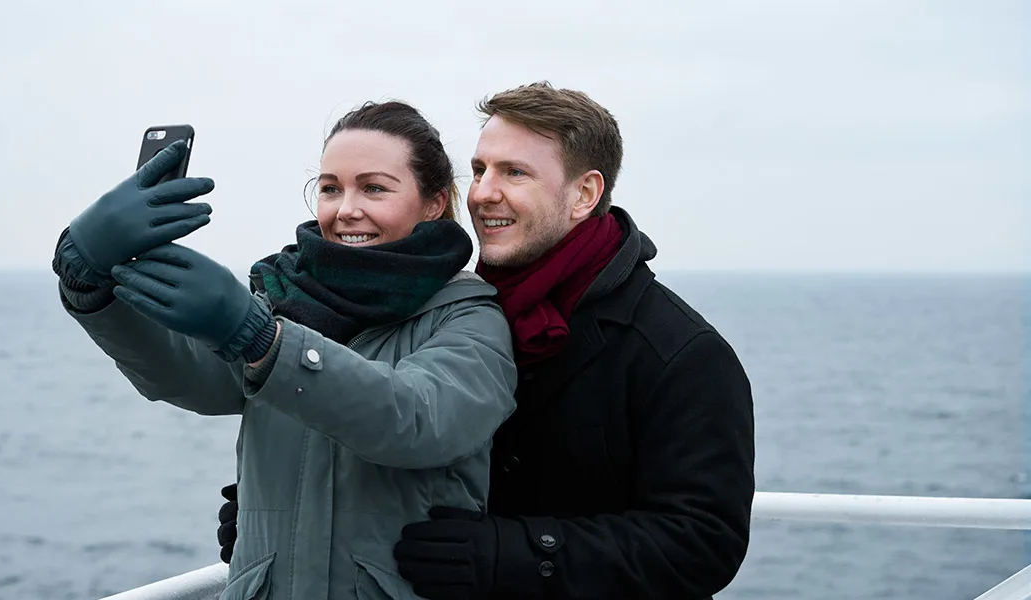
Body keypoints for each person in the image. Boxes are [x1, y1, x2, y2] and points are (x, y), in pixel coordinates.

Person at [217, 82, 757, 600]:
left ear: (584, 194)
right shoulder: (457, 307)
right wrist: (305, 510)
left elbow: (704, 542)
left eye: (514, 173)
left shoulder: (679, 352)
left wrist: (515, 554)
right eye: (479, 170)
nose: (482, 194)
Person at [54, 101, 518, 600]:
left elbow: (418, 420)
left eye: (375, 188)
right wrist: (91, 290)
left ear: (433, 202)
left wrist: (263, 340)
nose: (346, 209)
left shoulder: (469, 317)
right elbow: (192, 377)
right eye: (330, 188)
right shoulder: (284, 298)